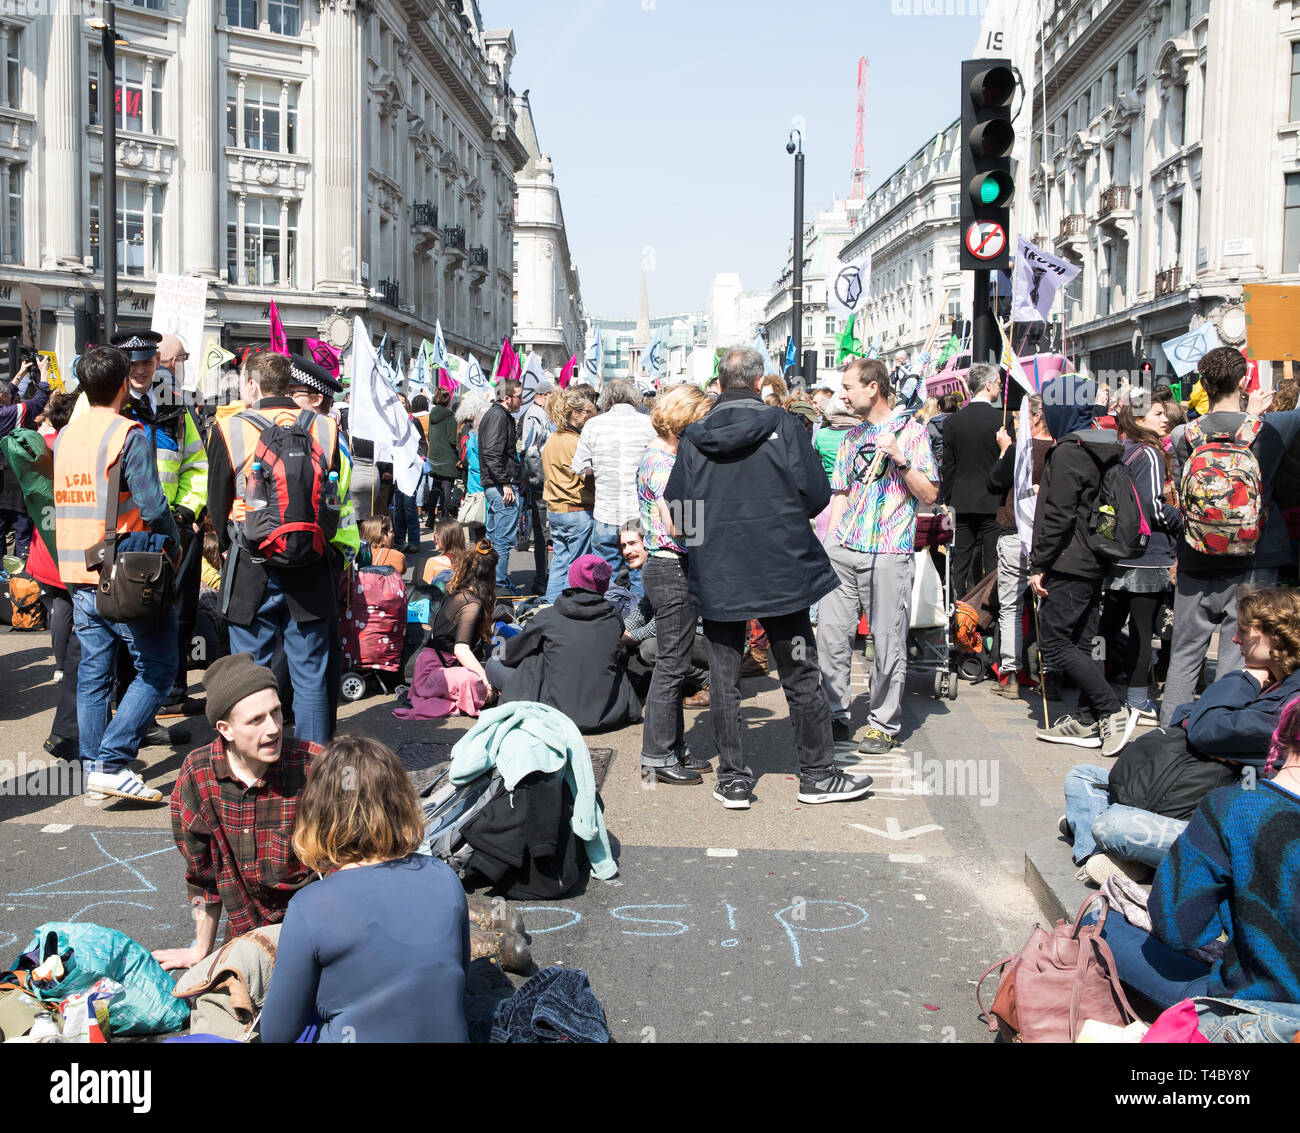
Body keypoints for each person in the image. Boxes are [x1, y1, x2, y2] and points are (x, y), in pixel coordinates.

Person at [664, 346, 871, 809]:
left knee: (724, 676)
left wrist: (711, 540)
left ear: (719, 384)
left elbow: (679, 511)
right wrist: (778, 521)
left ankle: (734, 778)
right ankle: (816, 774)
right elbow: (816, 494)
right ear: (759, 384)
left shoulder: (695, 437)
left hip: (721, 575)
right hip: (782, 572)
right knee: (799, 668)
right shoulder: (784, 426)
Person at [1062, 584, 1300, 880]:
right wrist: (1213, 721)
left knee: (1112, 824)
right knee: (1083, 776)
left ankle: (1108, 845)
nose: (1236, 638)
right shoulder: (1276, 681)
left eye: (1244, 631)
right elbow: (1184, 715)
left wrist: (1245, 678)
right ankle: (1105, 856)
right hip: (1189, 792)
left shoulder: (1292, 704)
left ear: (1276, 637)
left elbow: (1205, 729)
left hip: (1234, 833)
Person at [1094, 697, 1300, 1020]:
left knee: (1100, 920)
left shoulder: (1232, 807)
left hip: (1248, 1012)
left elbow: (1178, 927)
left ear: (1282, 735)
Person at [259, 735, 470, 1043]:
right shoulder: (444, 877)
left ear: (319, 812)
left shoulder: (310, 906)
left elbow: (277, 1034)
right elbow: (457, 987)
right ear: (400, 802)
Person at [207, 352, 356, 745]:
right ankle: (314, 771)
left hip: (252, 563)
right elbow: (332, 494)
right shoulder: (325, 427)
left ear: (253, 385)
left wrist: (227, 549)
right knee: (310, 674)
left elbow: (217, 501)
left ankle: (256, 767)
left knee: (249, 674)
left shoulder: (229, 428)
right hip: (309, 560)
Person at [53, 345, 181, 804]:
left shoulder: (67, 435)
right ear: (124, 383)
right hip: (123, 569)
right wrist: (175, 544)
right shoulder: (127, 433)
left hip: (77, 570)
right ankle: (111, 761)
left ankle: (94, 766)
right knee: (158, 668)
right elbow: (152, 506)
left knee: (94, 672)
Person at [1160, 347, 1300, 724]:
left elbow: (1180, 489)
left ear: (1204, 384)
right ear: (1243, 381)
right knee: (1239, 658)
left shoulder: (1181, 435)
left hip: (1196, 554)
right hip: (1253, 558)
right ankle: (1218, 735)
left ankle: (1169, 736)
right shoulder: (1267, 433)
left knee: (1185, 654)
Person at [153, 653, 319, 970]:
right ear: (225, 729)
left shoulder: (315, 766)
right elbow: (202, 876)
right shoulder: (198, 775)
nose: (273, 729)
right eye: (256, 720)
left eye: (276, 712)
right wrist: (200, 948)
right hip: (248, 943)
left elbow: (354, 866)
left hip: (316, 935)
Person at [818, 357, 940, 754]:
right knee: (832, 639)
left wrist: (900, 459)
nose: (843, 395)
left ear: (873, 387)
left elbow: (930, 495)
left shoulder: (913, 433)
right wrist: (832, 541)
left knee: (887, 640)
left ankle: (883, 722)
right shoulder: (852, 437)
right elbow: (840, 491)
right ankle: (835, 712)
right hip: (845, 549)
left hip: (888, 552)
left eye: (849, 387)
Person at [100, 330, 210, 717]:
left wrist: (187, 514)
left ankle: (166, 699)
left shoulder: (176, 406)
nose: (141, 370)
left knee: (176, 615)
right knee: (126, 620)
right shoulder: (107, 405)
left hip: (170, 532)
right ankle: (129, 709)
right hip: (125, 535)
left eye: (148, 362)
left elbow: (197, 464)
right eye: (133, 364)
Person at [1029, 374, 1135, 756]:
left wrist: (1038, 563)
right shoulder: (1103, 445)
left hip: (1068, 560)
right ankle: (1088, 718)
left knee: (1055, 644)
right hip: (1095, 556)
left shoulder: (1069, 451)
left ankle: (1110, 709)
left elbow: (1057, 516)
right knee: (1086, 641)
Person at [634, 383, 713, 783]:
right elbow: (679, 525)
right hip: (671, 567)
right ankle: (659, 755)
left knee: (674, 663)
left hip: (664, 566)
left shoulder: (659, 454)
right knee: (671, 666)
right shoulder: (665, 463)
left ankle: (672, 749)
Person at [1096, 388, 1181, 722]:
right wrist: (1180, 519)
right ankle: (1137, 698)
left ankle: (1095, 684)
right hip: (1148, 555)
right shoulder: (1149, 454)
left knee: (1106, 629)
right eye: (1158, 414)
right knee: (1143, 632)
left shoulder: (1124, 449)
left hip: (1119, 553)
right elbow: (1154, 508)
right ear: (1140, 418)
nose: (1166, 419)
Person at [484, 554, 642, 732]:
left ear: (572, 580)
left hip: (556, 709)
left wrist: (497, 650)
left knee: (494, 662)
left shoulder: (550, 616)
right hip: (606, 711)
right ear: (605, 585)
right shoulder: (614, 618)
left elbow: (510, 654)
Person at [984, 394, 1053, 698]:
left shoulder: (1021, 449)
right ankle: (1047, 672)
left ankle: (1010, 672)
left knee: (1011, 604)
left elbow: (994, 482)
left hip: (1016, 530)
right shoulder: (1059, 450)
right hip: (1048, 536)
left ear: (1036, 418)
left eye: (1022, 416)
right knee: (1047, 606)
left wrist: (1004, 451)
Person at [570, 379, 656, 593]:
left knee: (603, 576)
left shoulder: (593, 425)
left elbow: (580, 467)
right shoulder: (648, 423)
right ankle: (639, 620)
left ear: (606, 399)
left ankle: (607, 618)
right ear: (633, 397)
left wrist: (600, 468)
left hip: (605, 510)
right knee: (639, 572)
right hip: (637, 512)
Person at [396, 540, 498, 718]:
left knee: (486, 679)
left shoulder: (459, 592)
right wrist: (487, 680)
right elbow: (461, 649)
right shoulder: (470, 603)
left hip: (431, 665)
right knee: (481, 686)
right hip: (434, 672)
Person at [617, 521, 711, 708]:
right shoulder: (650, 568)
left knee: (649, 648)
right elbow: (644, 608)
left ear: (649, 542)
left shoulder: (665, 567)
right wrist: (620, 630)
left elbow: (666, 620)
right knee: (638, 642)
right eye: (623, 546)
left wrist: (630, 636)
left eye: (633, 543)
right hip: (689, 636)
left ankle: (710, 680)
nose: (627, 551)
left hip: (709, 639)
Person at [940, 362, 1004, 596]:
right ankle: (987, 617)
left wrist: (947, 497)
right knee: (993, 564)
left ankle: (957, 616)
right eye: (998, 384)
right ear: (987, 386)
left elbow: (949, 466)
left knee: (960, 564)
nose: (1000, 388)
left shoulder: (953, 422)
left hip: (962, 500)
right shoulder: (1000, 421)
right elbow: (1006, 464)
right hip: (993, 502)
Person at [541, 387, 596, 602]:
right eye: (587, 413)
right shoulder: (575, 442)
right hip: (576, 510)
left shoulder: (552, 439)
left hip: (556, 510)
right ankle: (565, 611)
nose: (590, 417)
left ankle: (549, 608)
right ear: (574, 413)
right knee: (575, 567)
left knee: (560, 563)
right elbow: (586, 476)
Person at [478, 379, 523, 594]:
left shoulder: (498, 415)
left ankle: (488, 582)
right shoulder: (498, 416)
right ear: (507, 398)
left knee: (494, 537)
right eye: (519, 397)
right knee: (502, 540)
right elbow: (493, 453)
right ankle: (499, 585)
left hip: (495, 484)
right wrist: (505, 482)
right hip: (500, 485)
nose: (521, 401)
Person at [519, 376, 556, 590]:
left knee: (544, 530)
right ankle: (541, 578)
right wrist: (538, 478)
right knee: (541, 532)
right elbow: (531, 449)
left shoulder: (540, 414)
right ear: (544, 396)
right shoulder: (535, 414)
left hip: (542, 478)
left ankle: (543, 576)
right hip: (540, 481)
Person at [422, 388, 459, 526]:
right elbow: (452, 439)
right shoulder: (450, 417)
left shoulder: (432, 416)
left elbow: (430, 437)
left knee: (435, 489)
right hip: (448, 458)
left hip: (435, 457)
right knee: (446, 489)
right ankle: (444, 520)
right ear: (448, 401)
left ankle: (430, 519)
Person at [419, 517, 466, 588]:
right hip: (462, 597)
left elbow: (425, 591)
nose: (433, 539)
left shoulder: (433, 562)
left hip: (440, 597)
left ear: (445, 538)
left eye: (435, 536)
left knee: (420, 564)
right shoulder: (470, 561)